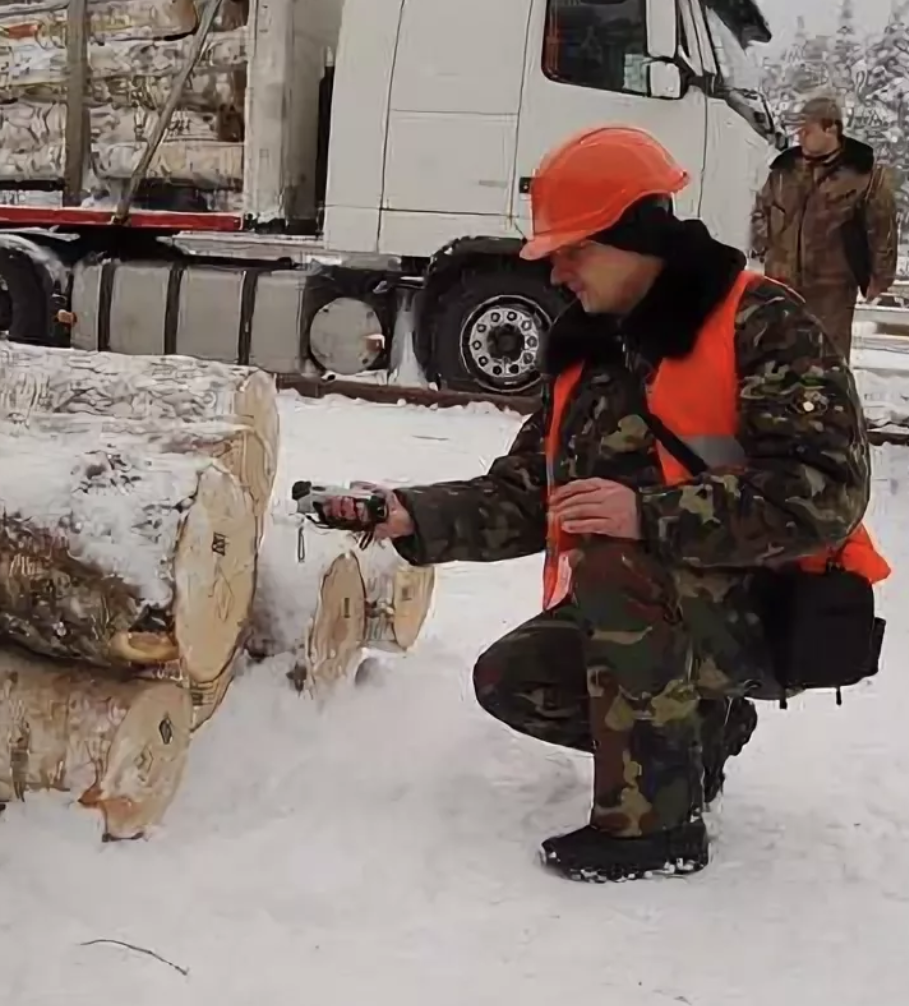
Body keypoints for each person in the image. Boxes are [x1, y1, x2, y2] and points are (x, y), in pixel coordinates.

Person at [325, 125, 887, 883]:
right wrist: (411, 513)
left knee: (615, 552)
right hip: (675, 607)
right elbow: (533, 491)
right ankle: (696, 741)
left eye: (571, 251)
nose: (556, 275)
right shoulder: (590, 348)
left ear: (635, 236)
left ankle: (652, 827)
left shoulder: (762, 323)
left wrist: (647, 515)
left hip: (779, 609)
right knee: (512, 678)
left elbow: (827, 492)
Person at [750, 94, 899, 356]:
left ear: (831, 129)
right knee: (779, 359)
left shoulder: (865, 176)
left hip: (832, 290)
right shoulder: (784, 170)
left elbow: (881, 229)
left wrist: (880, 277)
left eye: (807, 130)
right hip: (782, 284)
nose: (800, 136)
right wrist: (764, 244)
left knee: (827, 361)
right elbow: (762, 209)